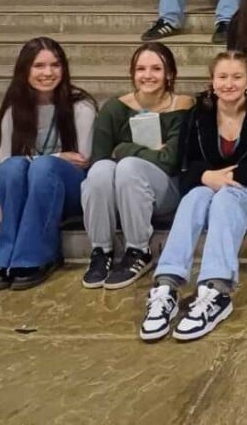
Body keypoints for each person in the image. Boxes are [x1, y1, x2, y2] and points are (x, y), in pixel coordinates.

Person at [138, 51, 247, 342]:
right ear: (212, 81)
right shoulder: (200, 113)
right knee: (193, 198)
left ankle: (216, 291)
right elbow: (187, 165)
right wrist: (206, 177)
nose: (229, 83)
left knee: (225, 199)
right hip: (211, 187)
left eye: (237, 77)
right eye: (222, 76)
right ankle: (167, 286)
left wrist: (228, 178)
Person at [81, 43, 194, 290]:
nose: (148, 75)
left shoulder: (184, 106)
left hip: (166, 190)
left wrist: (123, 149)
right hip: (121, 192)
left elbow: (169, 160)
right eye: (141, 69)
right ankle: (102, 250)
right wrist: (150, 151)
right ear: (132, 73)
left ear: (169, 74)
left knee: (129, 166)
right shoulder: (115, 108)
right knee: (100, 171)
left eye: (156, 68)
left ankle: (139, 249)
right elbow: (100, 157)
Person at [0, 38, 97, 291]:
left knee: (42, 168)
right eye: (39, 66)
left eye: (55, 65)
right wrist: (58, 156)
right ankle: (6, 260)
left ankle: (37, 256)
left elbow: (82, 159)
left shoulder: (81, 106)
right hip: (32, 186)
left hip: (70, 189)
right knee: (12, 169)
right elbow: (5, 160)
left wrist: (48, 162)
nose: (47, 73)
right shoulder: (14, 109)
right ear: (25, 70)